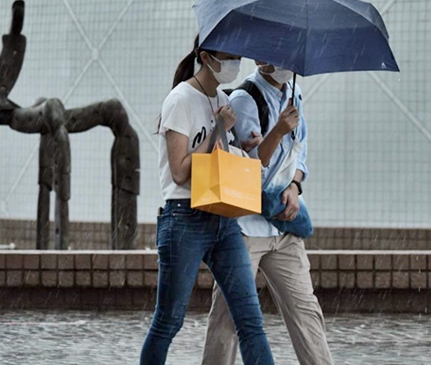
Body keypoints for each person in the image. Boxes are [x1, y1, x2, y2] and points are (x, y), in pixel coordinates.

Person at [140, 36, 275, 365]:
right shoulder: (180, 100)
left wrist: (244, 143)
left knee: (250, 321)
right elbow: (180, 171)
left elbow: (221, 161)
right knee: (169, 321)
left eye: (237, 57)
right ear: (205, 57)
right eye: (227, 57)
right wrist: (217, 128)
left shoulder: (220, 99)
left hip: (224, 219)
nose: (234, 65)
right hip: (185, 219)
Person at [201, 61, 334, 365]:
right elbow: (248, 170)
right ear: (261, 60)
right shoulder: (244, 100)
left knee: (305, 311)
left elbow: (301, 152)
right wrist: (277, 131)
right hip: (246, 227)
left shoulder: (294, 93)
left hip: (283, 227)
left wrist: (295, 187)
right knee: (229, 316)